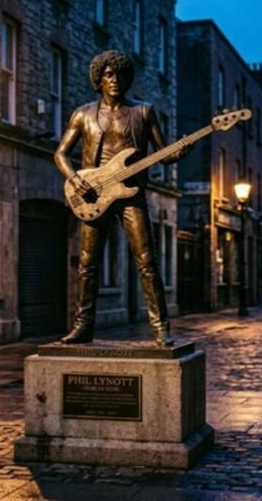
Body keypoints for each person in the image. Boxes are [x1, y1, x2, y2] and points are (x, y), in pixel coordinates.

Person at [53, 50, 189, 347]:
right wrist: (76, 181)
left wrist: (179, 151)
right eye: (108, 74)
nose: (115, 79)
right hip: (93, 194)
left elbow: (163, 153)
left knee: (147, 261)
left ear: (128, 79)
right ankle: (83, 327)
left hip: (131, 194)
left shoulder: (144, 112)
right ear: (99, 79)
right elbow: (61, 153)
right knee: (88, 264)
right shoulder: (83, 113)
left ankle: (160, 327)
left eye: (121, 74)